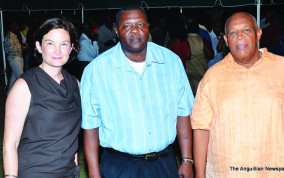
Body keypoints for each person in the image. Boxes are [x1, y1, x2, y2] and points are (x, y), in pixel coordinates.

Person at [81, 5, 194, 178]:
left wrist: (186, 160)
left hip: (164, 164)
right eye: (127, 26)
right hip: (119, 166)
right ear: (117, 31)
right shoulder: (97, 70)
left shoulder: (171, 62)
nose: (135, 30)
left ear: (148, 27)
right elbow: (90, 125)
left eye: (140, 24)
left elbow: (183, 112)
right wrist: (94, 173)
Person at [191, 12, 284, 178]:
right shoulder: (211, 78)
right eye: (233, 33)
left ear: (258, 34)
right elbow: (201, 129)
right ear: (226, 41)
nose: (239, 36)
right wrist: (199, 174)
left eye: (246, 30)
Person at [3, 17, 82, 177]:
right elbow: (10, 144)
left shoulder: (75, 84)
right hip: (34, 172)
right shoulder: (24, 86)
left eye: (64, 44)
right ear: (39, 46)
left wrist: (75, 170)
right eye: (50, 43)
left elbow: (72, 139)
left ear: (71, 47)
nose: (58, 51)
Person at [186, 22, 214, 95]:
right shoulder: (203, 40)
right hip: (200, 67)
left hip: (188, 68)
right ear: (198, 30)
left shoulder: (184, 40)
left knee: (190, 90)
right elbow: (210, 55)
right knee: (201, 91)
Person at [4, 21, 24, 95]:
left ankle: (8, 93)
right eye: (16, 26)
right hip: (14, 59)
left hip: (17, 58)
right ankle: (21, 95)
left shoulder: (13, 35)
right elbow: (9, 50)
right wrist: (21, 49)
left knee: (13, 78)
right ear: (12, 26)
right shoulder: (9, 36)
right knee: (21, 77)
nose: (17, 27)